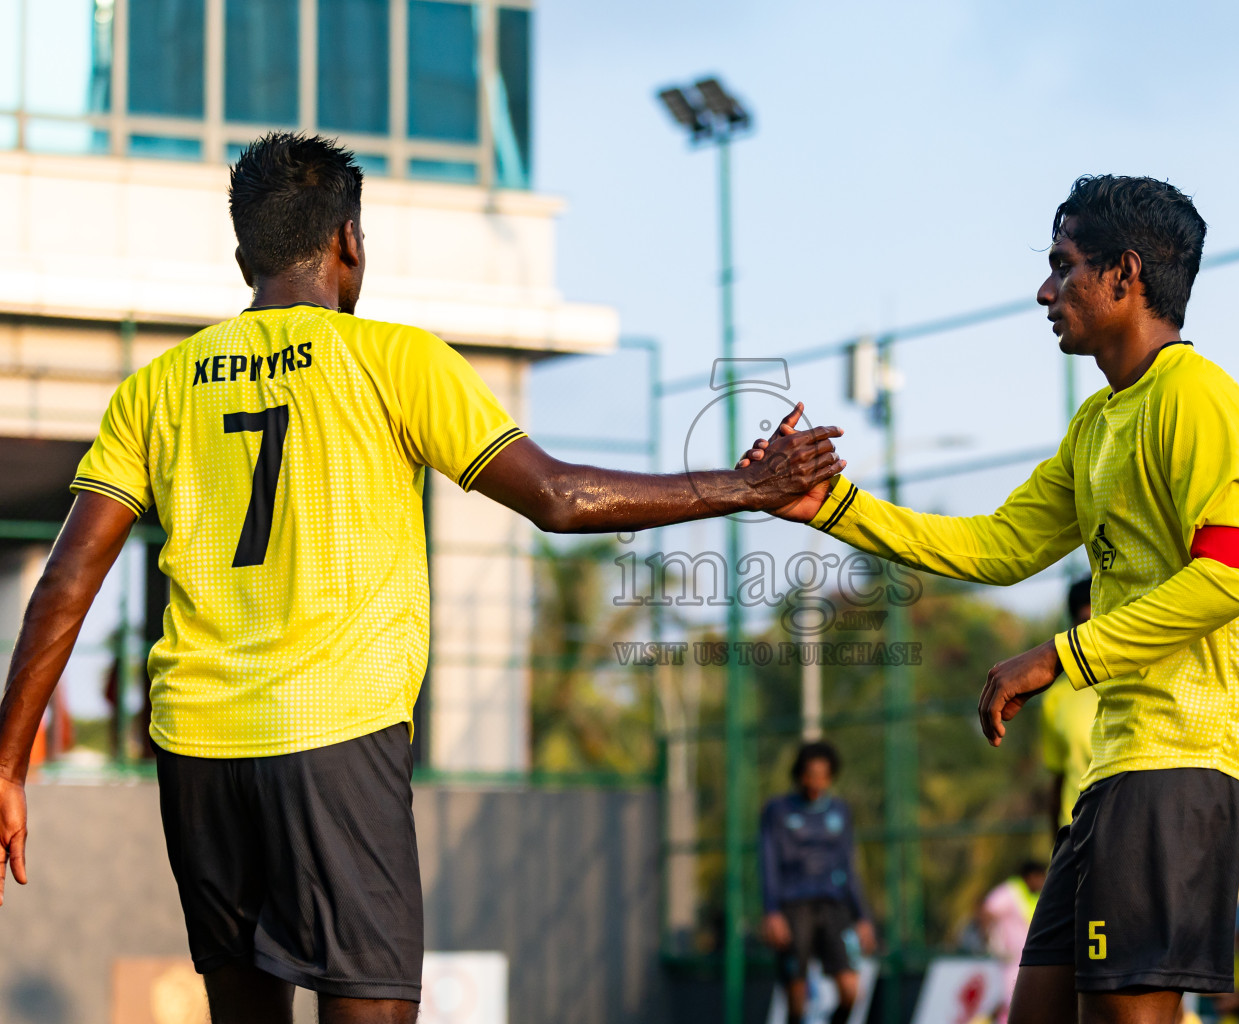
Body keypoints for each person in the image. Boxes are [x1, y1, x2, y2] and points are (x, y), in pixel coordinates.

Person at [0, 133, 845, 1024]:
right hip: (334, 730)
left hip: (199, 751)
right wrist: (747, 485)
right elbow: (556, 497)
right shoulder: (396, 360)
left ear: (244, 253)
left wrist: (10, 762)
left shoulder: (157, 388)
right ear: (350, 242)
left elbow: (65, 584)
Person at [741, 174, 1239, 1023]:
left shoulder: (1197, 398)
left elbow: (1232, 577)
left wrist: (1059, 657)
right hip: (1118, 770)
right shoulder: (1100, 423)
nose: (1045, 290)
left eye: (1063, 266)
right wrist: (832, 508)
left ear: (1124, 274)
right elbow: (1000, 545)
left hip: (1187, 757)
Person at [759, 741, 875, 1024]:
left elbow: (849, 866)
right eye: (810, 774)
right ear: (800, 774)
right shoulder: (777, 811)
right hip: (793, 907)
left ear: (831, 776)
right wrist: (772, 911)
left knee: (851, 992)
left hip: (833, 907)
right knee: (796, 1000)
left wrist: (862, 916)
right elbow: (768, 863)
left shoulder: (840, 811)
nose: (816, 782)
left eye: (823, 775)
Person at [1038, 578, 1097, 831]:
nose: (1093, 635)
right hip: (1076, 834)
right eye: (1084, 624)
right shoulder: (1058, 697)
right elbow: (1058, 777)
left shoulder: (1143, 680)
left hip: (1131, 831)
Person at [979, 861, 1048, 1022]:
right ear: (1031, 876)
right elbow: (987, 910)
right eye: (1040, 877)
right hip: (1011, 963)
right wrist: (989, 938)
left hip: (1029, 961)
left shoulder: (1033, 895)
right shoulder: (1010, 892)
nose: (1043, 881)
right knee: (1012, 1004)